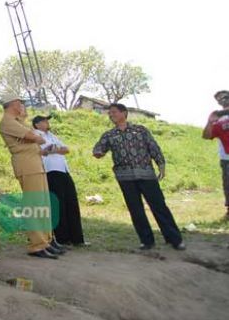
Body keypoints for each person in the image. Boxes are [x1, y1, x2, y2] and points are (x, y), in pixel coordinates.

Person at [93, 103, 185, 251]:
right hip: (125, 178)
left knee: (159, 206)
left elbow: (153, 147)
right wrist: (99, 153)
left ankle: (175, 239)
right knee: (136, 209)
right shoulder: (109, 135)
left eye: (114, 112)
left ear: (124, 113)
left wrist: (161, 164)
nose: (111, 115)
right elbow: (98, 149)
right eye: (109, 113)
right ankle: (146, 241)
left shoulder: (140, 130)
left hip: (146, 174)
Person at [0, 96, 63, 259]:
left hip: (35, 162)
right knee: (34, 205)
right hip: (26, 165)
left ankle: (46, 240)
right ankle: (37, 244)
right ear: (13, 104)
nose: (23, 107)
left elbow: (35, 140)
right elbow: (36, 137)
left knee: (43, 203)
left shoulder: (18, 121)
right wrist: (37, 138)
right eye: (21, 104)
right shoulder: (7, 121)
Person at [32, 115, 86, 246]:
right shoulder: (35, 135)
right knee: (59, 204)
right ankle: (63, 238)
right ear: (37, 124)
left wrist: (54, 150)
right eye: (44, 121)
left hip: (63, 170)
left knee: (71, 202)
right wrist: (55, 150)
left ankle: (77, 238)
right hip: (51, 171)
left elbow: (66, 149)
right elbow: (42, 151)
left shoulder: (52, 135)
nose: (47, 122)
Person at [202, 90, 229, 218]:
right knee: (227, 184)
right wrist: (210, 122)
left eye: (224, 97)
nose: (222, 100)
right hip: (226, 158)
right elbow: (206, 136)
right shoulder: (219, 119)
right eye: (219, 99)